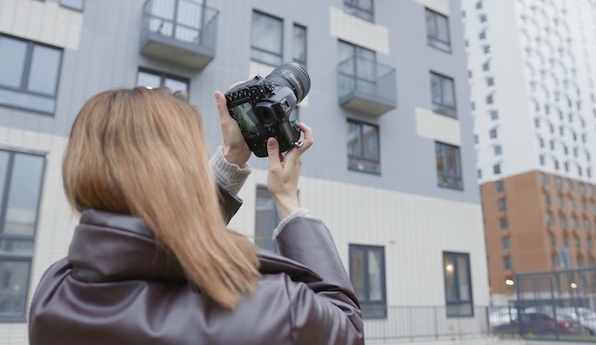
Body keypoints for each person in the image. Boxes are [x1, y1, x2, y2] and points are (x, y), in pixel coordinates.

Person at [28, 86, 364, 345]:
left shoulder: (53, 296)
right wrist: (289, 202)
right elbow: (345, 328)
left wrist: (232, 160)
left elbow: (159, 248)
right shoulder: (272, 307)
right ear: (178, 170)